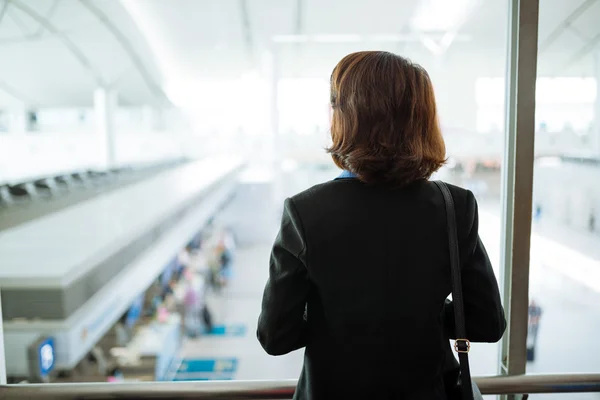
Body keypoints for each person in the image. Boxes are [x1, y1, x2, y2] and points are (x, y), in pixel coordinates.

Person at [257, 51, 506, 400]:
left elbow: (275, 336)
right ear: (421, 121)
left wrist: (338, 318)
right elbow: (487, 322)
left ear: (345, 118)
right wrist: (421, 315)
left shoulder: (304, 212)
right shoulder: (453, 206)